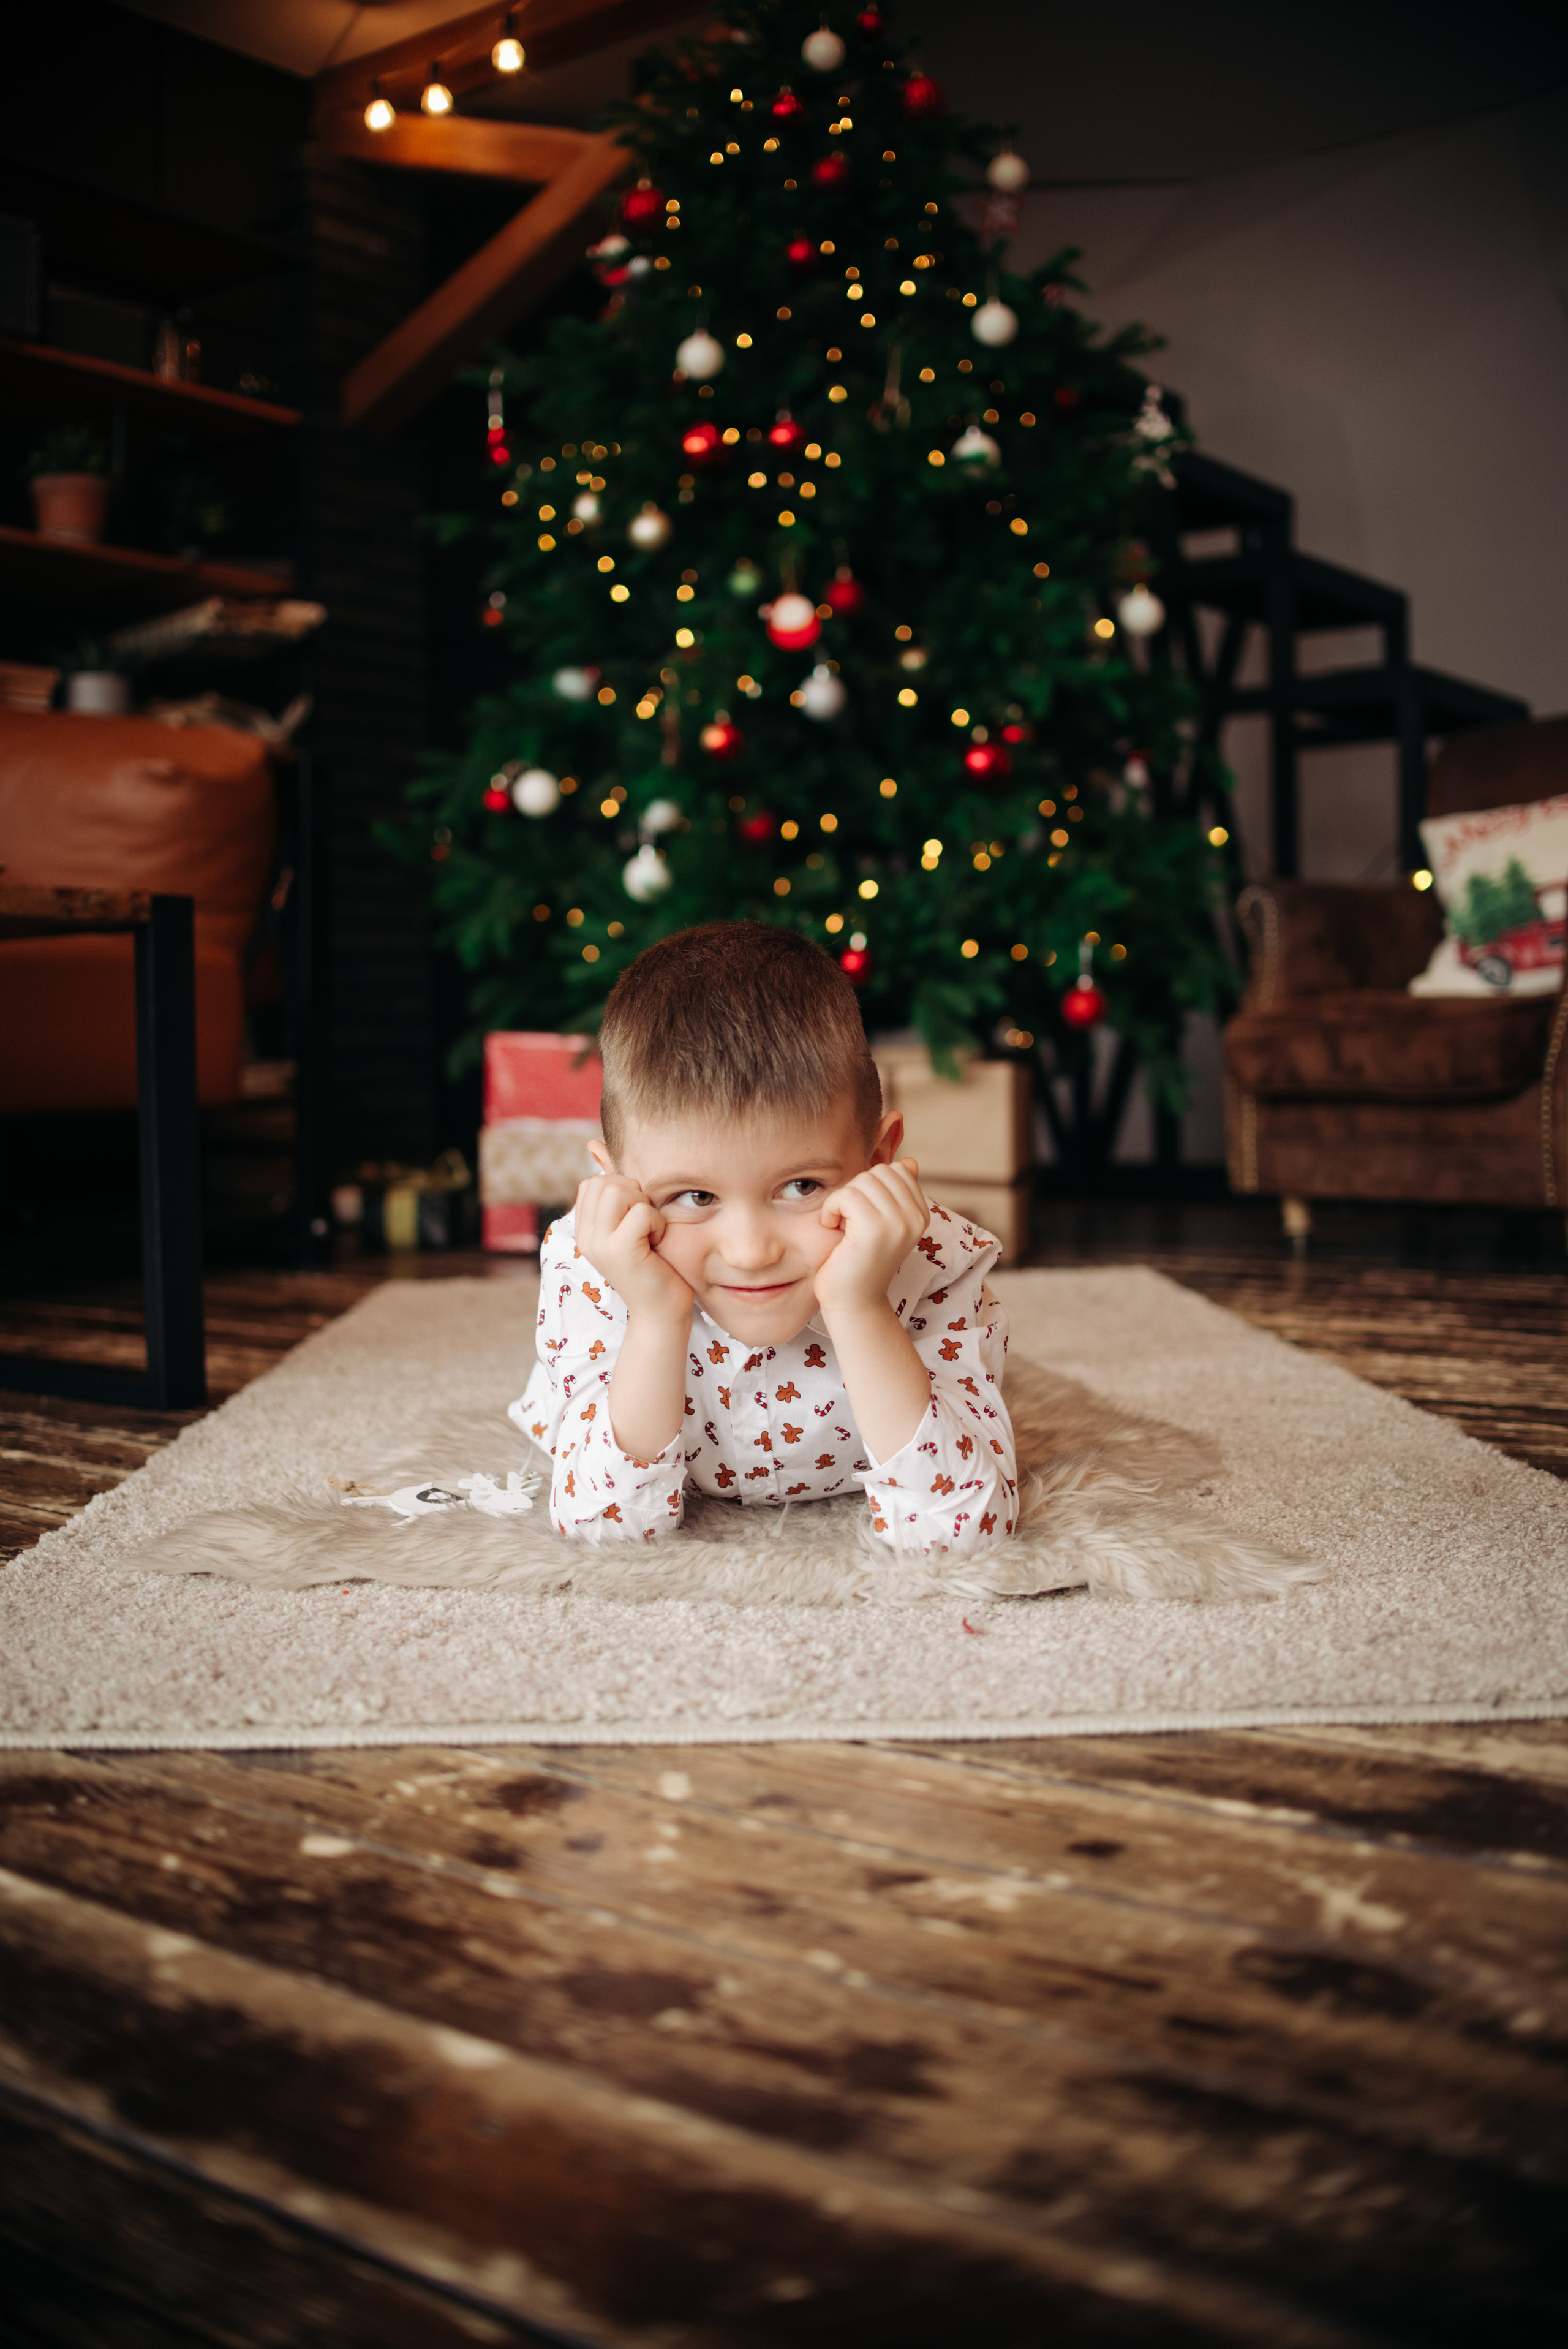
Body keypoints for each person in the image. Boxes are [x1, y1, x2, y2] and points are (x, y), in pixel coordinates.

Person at [511, 922, 1016, 1553]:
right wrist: (656, 1314)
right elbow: (604, 1526)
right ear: (614, 1183)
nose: (751, 1252)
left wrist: (860, 1308)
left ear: (878, 1159)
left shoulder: (932, 1260)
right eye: (695, 1198)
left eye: (802, 1186)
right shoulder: (596, 1261)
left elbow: (963, 1531)